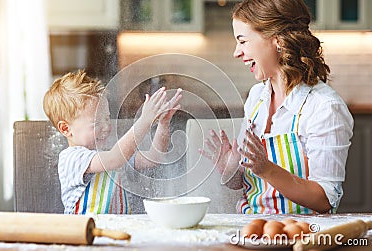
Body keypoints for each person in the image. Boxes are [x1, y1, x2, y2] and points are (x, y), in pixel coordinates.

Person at [200, 0, 353, 214]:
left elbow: (324, 199)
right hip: (251, 231)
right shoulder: (257, 97)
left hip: (300, 237)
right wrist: (230, 170)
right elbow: (251, 184)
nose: (237, 52)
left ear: (277, 40)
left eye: (243, 41)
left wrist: (267, 169)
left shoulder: (324, 107)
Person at [43, 70, 182, 214]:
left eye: (107, 118)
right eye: (96, 123)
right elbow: (115, 159)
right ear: (66, 128)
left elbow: (154, 158)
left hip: (117, 231)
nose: (106, 127)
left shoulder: (110, 154)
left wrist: (164, 123)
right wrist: (144, 121)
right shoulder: (72, 158)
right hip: (86, 232)